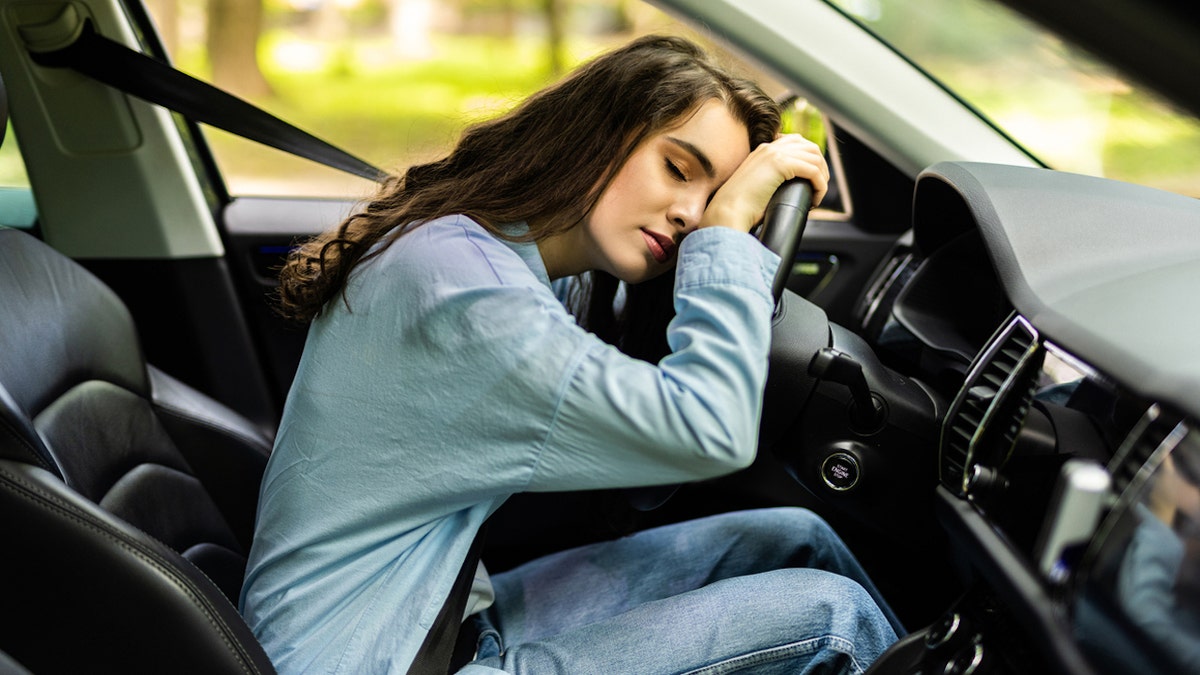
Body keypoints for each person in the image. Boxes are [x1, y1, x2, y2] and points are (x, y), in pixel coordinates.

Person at [239, 34, 902, 674]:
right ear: (596, 135)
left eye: (711, 200)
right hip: (373, 659)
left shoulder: (511, 257)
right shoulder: (463, 292)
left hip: (439, 620)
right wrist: (726, 238)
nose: (689, 214)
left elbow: (648, 480)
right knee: (833, 620)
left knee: (794, 537)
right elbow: (710, 432)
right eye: (677, 168)